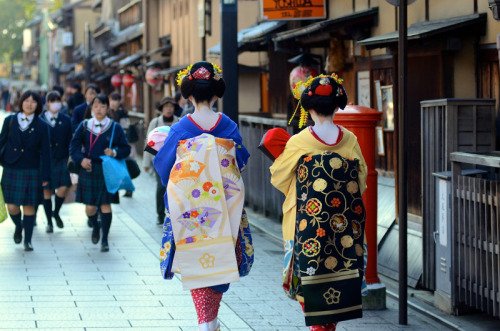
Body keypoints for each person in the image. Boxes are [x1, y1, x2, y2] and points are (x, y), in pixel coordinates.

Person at [154, 62, 251, 331]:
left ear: (188, 95)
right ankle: (209, 320)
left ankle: (206, 322)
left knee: (197, 261)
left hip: (190, 209)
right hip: (225, 206)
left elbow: (164, 168)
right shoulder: (228, 126)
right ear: (216, 94)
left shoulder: (181, 128)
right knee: (220, 259)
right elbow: (240, 160)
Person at [269, 74, 368, 331]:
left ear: (309, 108)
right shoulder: (350, 140)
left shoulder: (300, 142)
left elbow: (279, 177)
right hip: (344, 229)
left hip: (307, 226)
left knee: (310, 288)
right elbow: (362, 180)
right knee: (335, 292)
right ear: (337, 107)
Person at [69, 94, 130, 252]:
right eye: (96, 106)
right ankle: (95, 226)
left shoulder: (114, 127)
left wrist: (114, 152)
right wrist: (80, 159)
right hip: (88, 169)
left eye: (103, 106)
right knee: (90, 208)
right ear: (91, 108)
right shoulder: (84, 125)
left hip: (106, 170)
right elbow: (73, 147)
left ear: (108, 108)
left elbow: (126, 148)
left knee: (105, 205)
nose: (99, 109)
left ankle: (105, 240)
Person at [0, 90, 51, 251]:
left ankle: (27, 241)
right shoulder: (10, 120)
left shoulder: (42, 125)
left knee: (29, 206)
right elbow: (1, 142)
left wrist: (46, 175)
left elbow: (46, 153)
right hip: (12, 167)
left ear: (38, 105)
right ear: (21, 102)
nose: (29, 104)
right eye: (27, 101)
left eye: (33, 101)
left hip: (32, 169)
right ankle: (18, 226)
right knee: (12, 206)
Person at [143, 96, 179, 224]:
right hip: (159, 161)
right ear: (162, 109)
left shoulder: (179, 122)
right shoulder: (155, 122)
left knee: (175, 188)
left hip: (176, 160)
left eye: (171, 107)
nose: (169, 109)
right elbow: (149, 142)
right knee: (161, 187)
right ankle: (160, 214)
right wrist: (146, 163)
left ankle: (174, 213)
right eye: (166, 107)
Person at [40, 91, 72, 233]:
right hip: (45, 160)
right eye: (52, 100)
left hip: (62, 159)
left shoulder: (66, 119)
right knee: (46, 191)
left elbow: (71, 140)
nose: (55, 103)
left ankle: (56, 212)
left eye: (57, 100)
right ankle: (49, 222)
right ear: (47, 103)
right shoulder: (40, 119)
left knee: (63, 187)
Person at [108, 92, 136, 198]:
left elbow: (125, 128)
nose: (114, 102)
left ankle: (129, 188)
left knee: (126, 166)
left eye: (116, 100)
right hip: (111, 143)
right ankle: (116, 188)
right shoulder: (107, 112)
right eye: (112, 100)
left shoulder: (123, 113)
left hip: (122, 143)